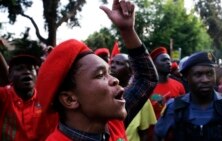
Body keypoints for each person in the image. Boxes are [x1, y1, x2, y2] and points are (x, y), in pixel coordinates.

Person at [35, 0, 158, 140]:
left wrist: (127, 31)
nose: (115, 79)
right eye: (100, 75)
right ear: (70, 99)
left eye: (109, 72)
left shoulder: (112, 123)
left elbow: (146, 79)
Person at [154, 51, 222, 141]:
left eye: (210, 74)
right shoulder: (174, 108)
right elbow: (157, 136)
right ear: (187, 77)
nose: (205, 80)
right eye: (198, 74)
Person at [0, 54, 54, 141]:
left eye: (30, 68)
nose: (26, 72)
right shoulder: (3, 95)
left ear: (37, 74)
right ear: (10, 76)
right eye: (19, 69)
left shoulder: (48, 98)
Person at [110, 53, 157, 141]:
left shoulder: (141, 97)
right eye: (112, 62)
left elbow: (144, 133)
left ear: (131, 71)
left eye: (119, 63)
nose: (112, 66)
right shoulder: (103, 95)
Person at [150, 47, 186, 119]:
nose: (168, 63)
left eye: (169, 60)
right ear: (154, 64)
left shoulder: (179, 86)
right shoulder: (147, 88)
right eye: (164, 60)